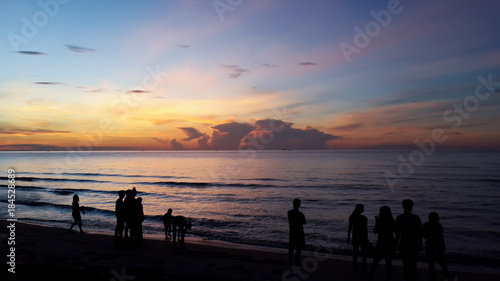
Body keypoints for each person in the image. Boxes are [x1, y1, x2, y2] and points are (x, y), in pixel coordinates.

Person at [395, 199, 422, 281]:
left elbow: (397, 233)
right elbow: (419, 232)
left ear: (403, 206)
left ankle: (408, 278)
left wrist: (397, 244)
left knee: (406, 264)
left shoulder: (399, 218)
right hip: (413, 243)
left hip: (404, 243)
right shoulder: (416, 218)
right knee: (413, 264)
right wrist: (420, 243)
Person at [368, 206, 396, 281]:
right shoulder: (392, 220)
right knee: (389, 262)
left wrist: (377, 221)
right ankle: (388, 278)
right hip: (390, 242)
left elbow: (375, 231)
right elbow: (395, 230)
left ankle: (370, 277)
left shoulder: (380, 220)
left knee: (375, 261)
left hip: (381, 242)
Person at [422, 212, 451, 281]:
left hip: (429, 244)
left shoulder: (426, 224)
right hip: (438, 244)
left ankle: (433, 277)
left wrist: (426, 237)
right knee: (440, 260)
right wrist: (443, 245)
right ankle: (446, 274)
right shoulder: (438, 225)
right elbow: (441, 237)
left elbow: (421, 233)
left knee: (431, 261)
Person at [347, 203, 368, 272]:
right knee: (364, 253)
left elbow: (350, 228)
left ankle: (355, 267)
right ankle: (364, 268)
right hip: (363, 236)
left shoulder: (352, 217)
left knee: (355, 252)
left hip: (355, 236)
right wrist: (367, 238)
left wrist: (348, 237)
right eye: (362, 208)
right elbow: (365, 229)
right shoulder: (364, 218)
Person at [288, 198, 306, 266]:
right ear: (299, 205)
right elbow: (304, 222)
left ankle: (290, 261)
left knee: (291, 247)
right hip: (299, 232)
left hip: (292, 231)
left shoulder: (289, 213)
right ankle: (296, 262)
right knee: (298, 248)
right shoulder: (300, 214)